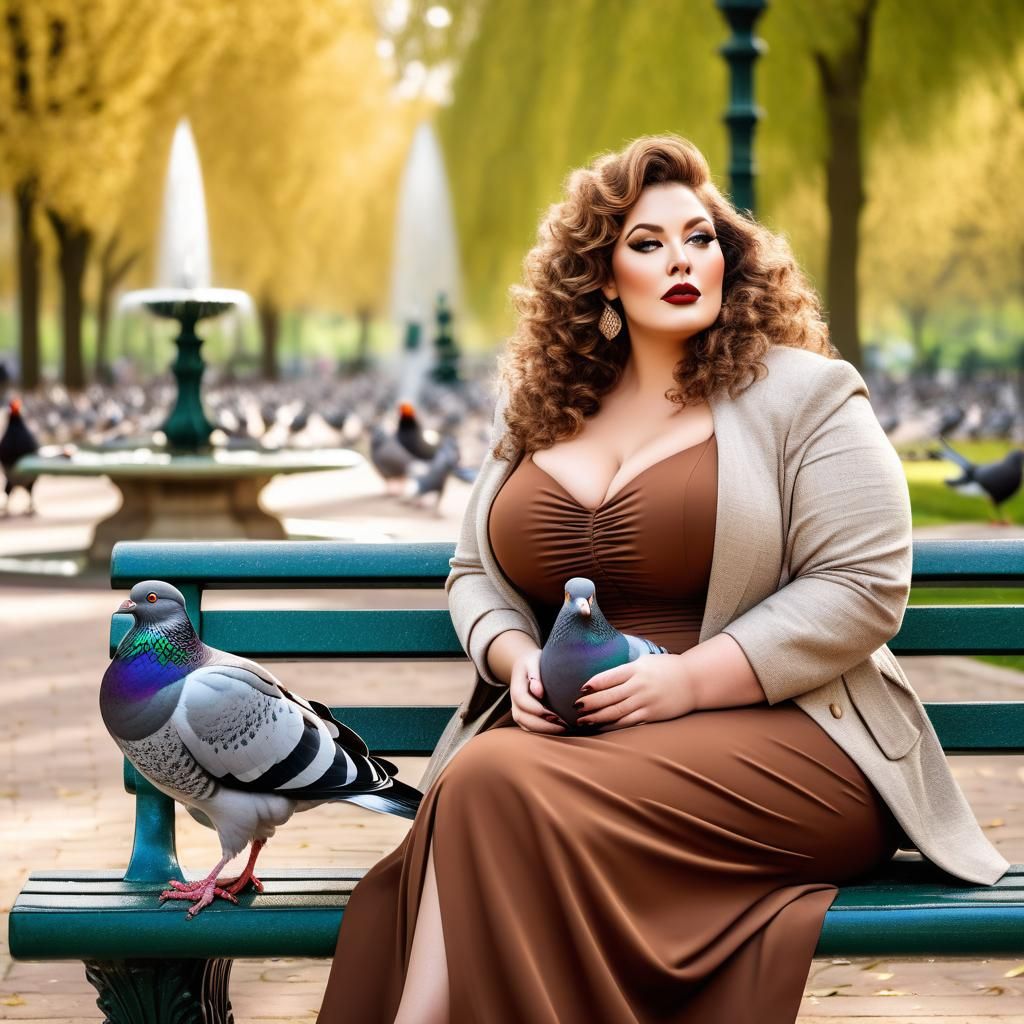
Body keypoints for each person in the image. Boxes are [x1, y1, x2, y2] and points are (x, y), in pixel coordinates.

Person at [317, 134, 1008, 1024]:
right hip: (573, 750)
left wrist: (684, 681)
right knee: (489, 786)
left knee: (485, 786)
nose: (682, 259)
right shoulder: (536, 413)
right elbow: (473, 571)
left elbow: (863, 585)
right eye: (647, 243)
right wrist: (514, 658)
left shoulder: (808, 394)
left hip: (790, 743)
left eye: (701, 238)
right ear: (601, 278)